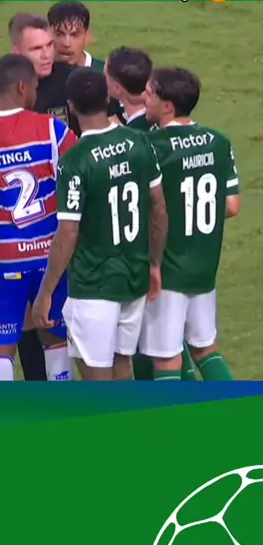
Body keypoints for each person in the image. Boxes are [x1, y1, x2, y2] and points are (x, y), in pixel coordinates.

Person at [0, 54, 78, 381]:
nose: (36, 92)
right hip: (49, 258)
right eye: (34, 86)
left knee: (0, 349)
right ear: (22, 87)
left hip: (2, 261)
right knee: (55, 340)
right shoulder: (53, 130)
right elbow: (79, 179)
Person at [32, 68, 168, 381]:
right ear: (107, 98)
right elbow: (159, 208)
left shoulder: (74, 160)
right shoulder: (138, 142)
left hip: (94, 285)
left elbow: (68, 232)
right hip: (133, 278)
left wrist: (46, 292)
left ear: (71, 106)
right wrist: (154, 263)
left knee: (97, 375)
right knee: (122, 364)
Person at [138, 67, 240, 380]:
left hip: (167, 269)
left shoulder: (152, 147)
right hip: (204, 267)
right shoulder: (218, 141)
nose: (144, 98)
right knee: (205, 349)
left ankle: (174, 415)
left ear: (167, 105)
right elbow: (232, 205)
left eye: (149, 93)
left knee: (166, 359)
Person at [105, 46, 196, 381]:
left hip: (146, 250)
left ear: (116, 89)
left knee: (158, 343)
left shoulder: (134, 138)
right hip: (175, 246)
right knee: (158, 341)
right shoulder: (159, 126)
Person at [47, 1, 125, 121]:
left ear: (87, 36)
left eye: (74, 35)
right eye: (59, 34)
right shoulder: (38, 75)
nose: (66, 43)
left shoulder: (106, 75)